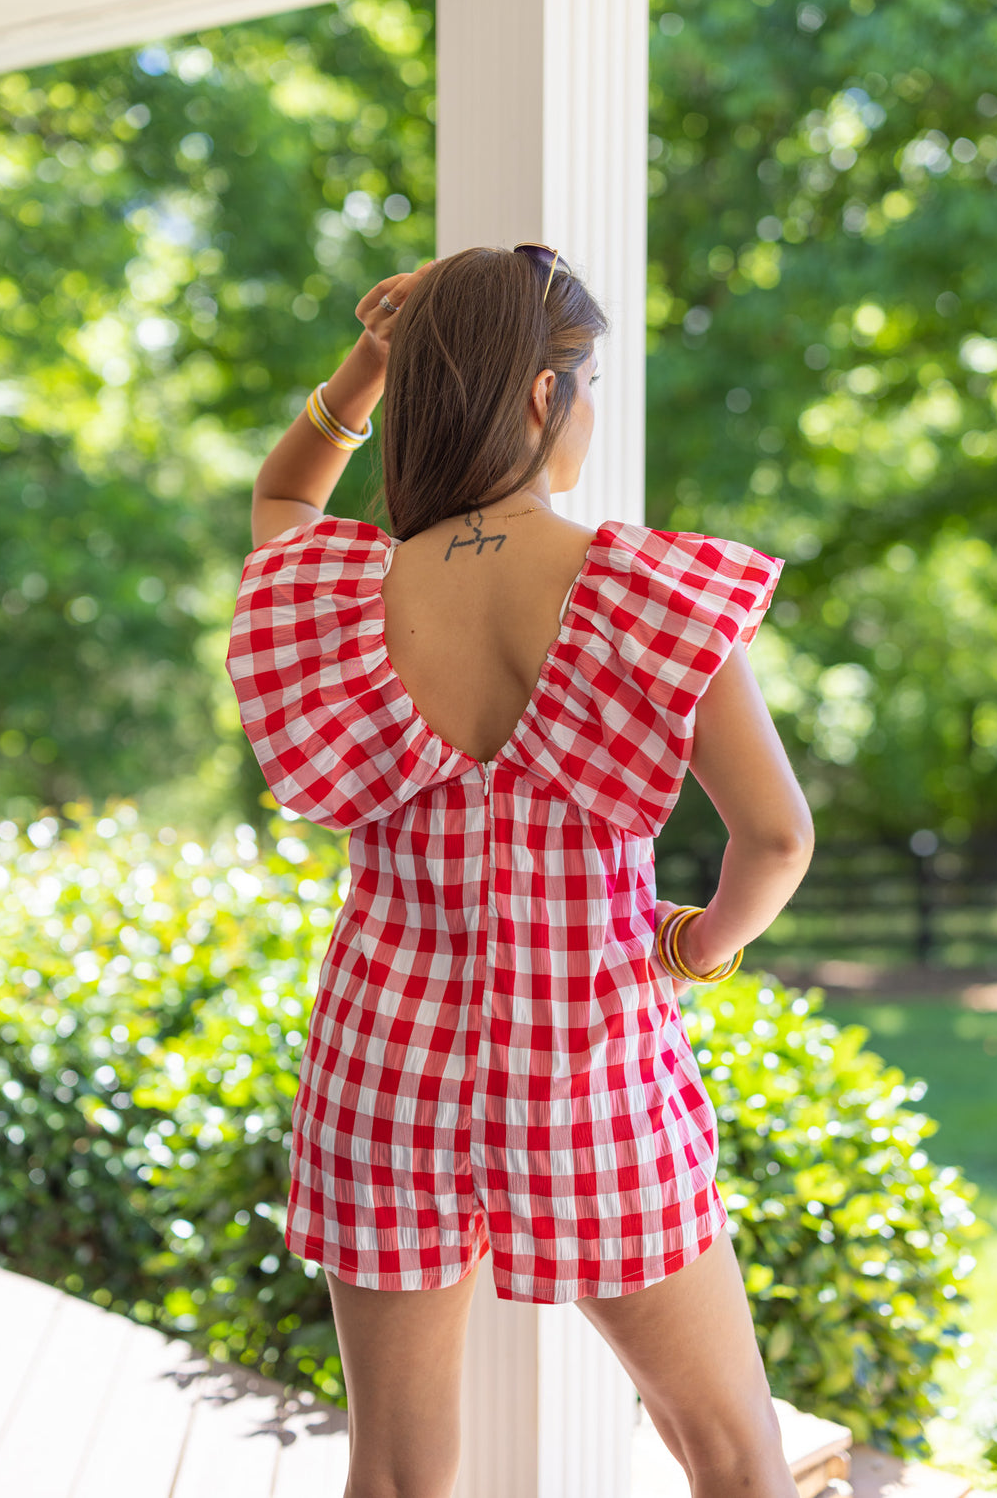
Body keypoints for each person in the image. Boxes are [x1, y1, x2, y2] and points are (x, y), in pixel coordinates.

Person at [226, 244, 814, 1498]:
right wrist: (695, 945)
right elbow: (777, 840)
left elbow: (280, 500)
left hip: (384, 1069)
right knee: (732, 1451)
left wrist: (368, 364)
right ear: (548, 394)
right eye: (588, 382)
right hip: (592, 1072)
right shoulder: (649, 595)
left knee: (396, 1471)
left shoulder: (340, 595)